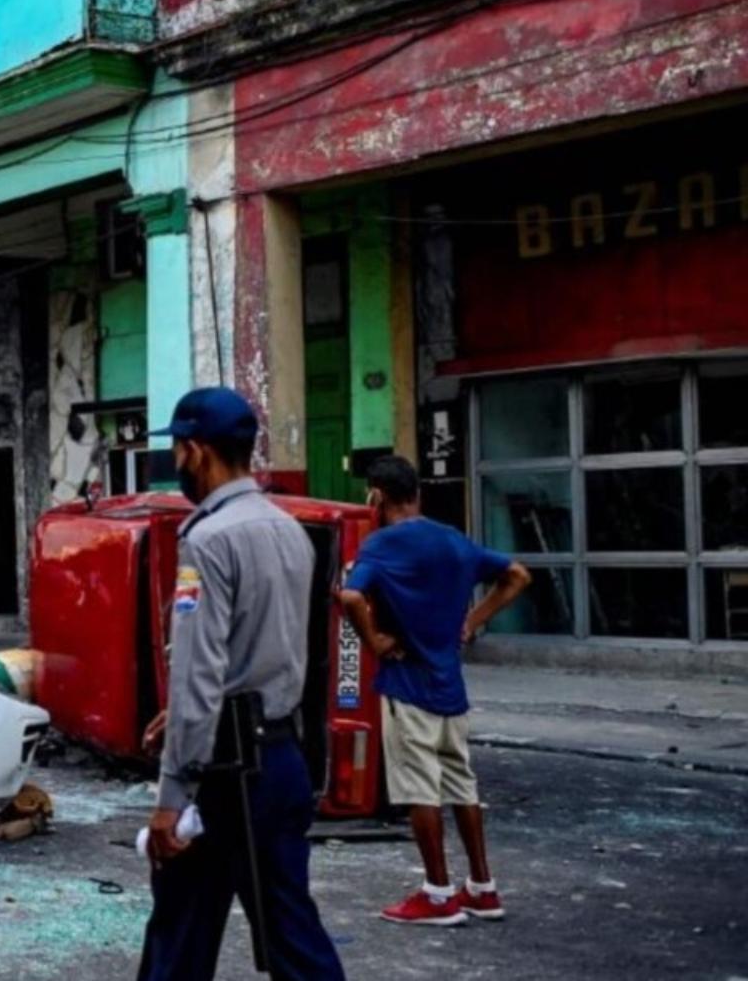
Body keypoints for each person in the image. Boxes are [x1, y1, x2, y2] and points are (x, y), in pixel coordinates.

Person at [136, 387, 346, 981]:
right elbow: (271, 652)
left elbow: (201, 673)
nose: (175, 464)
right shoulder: (289, 530)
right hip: (280, 759)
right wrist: (180, 716)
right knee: (290, 930)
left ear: (197, 452)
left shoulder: (208, 539)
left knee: (180, 933)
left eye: (176, 451)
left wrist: (171, 799)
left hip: (224, 774)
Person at [339, 455, 530, 926]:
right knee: (462, 785)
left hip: (408, 687)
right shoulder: (454, 540)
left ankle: (438, 892)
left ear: (376, 496)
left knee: (419, 789)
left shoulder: (381, 545)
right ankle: (483, 887)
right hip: (451, 687)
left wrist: (376, 641)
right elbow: (517, 576)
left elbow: (349, 596)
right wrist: (472, 620)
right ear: (417, 493)